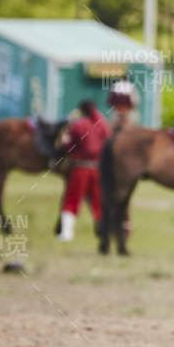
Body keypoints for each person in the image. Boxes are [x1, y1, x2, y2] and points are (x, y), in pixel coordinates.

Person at [56, 98, 111, 242]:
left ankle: (66, 233)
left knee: (72, 199)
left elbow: (69, 146)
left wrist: (65, 142)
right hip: (98, 169)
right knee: (98, 201)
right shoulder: (102, 124)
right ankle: (103, 232)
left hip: (80, 168)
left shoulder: (79, 125)